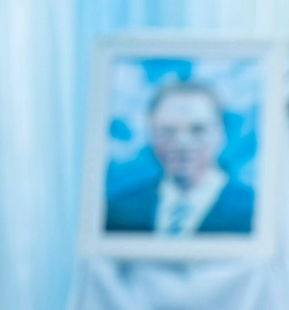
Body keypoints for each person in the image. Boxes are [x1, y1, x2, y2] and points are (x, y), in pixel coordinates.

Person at [105, 81, 255, 235]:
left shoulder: (254, 210)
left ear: (221, 133)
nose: (181, 143)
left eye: (197, 130)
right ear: (151, 134)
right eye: (168, 130)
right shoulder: (118, 211)